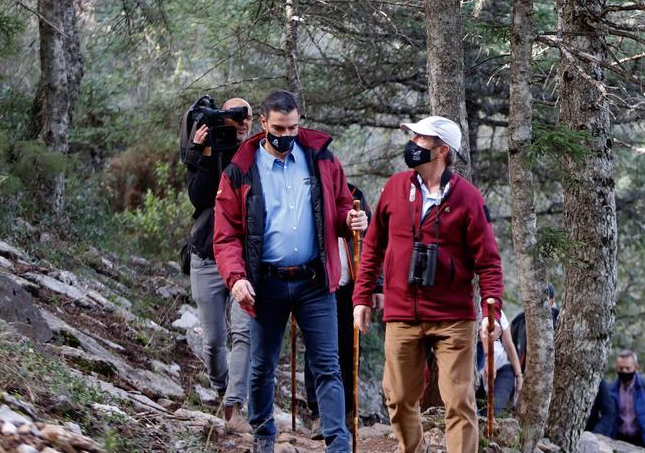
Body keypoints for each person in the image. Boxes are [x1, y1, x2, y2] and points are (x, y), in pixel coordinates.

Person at [214, 90, 367, 453]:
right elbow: (226, 235)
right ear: (263, 123)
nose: (287, 135)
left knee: (328, 365)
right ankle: (263, 437)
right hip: (265, 282)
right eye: (279, 128)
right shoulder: (241, 168)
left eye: (294, 127)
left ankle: (338, 443)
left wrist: (351, 220)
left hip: (315, 280)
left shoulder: (321, 158)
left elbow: (343, 205)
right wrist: (236, 279)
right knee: (262, 366)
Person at [353, 115, 504, 453]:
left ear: (442, 151)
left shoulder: (467, 198)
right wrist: (362, 297)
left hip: (454, 317)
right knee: (399, 396)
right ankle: (413, 449)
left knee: (459, 402)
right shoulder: (394, 187)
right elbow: (373, 246)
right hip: (402, 312)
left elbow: (489, 261)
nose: (413, 145)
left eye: (421, 140)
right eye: (414, 137)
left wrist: (490, 308)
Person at [185, 97, 253, 427]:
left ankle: (234, 405)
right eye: (235, 117)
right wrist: (200, 155)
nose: (242, 122)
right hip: (207, 255)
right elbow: (199, 199)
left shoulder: (258, 153)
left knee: (244, 333)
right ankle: (222, 387)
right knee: (213, 340)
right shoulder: (207, 150)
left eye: (248, 117)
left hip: (245, 260)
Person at [305, 183, 383, 439]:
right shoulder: (308, 190)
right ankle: (318, 415)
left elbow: (373, 241)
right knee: (318, 350)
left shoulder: (354, 195)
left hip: (350, 287)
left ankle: (348, 413)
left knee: (350, 350)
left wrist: (377, 285)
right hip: (319, 285)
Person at [474, 308, 523, 416]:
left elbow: (509, 346)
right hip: (477, 373)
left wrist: (519, 376)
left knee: (494, 412)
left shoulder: (496, 312)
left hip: (501, 368)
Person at [509, 284, 559, 371]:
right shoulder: (518, 322)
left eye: (543, 300)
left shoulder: (559, 321)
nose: (537, 303)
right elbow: (510, 349)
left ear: (552, 302)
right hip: (523, 373)